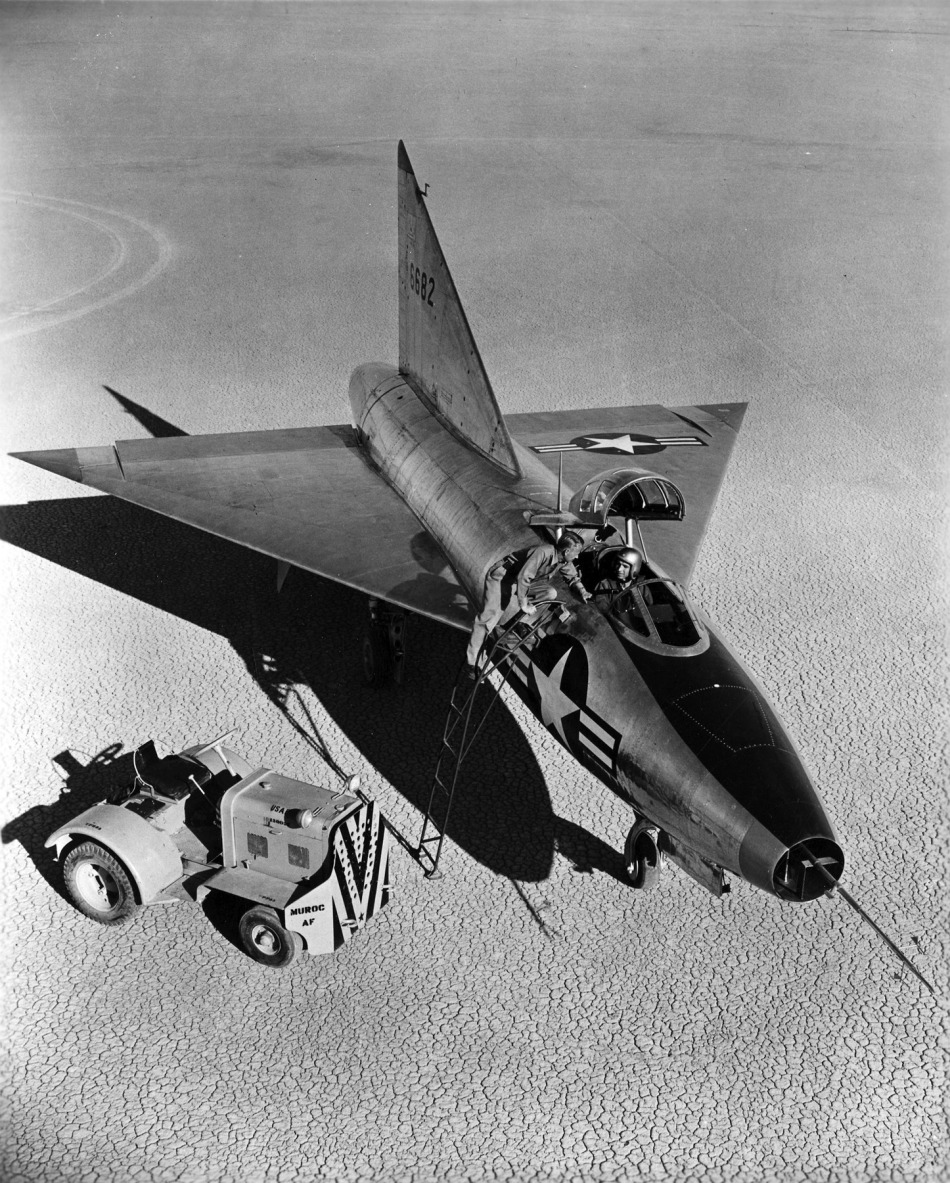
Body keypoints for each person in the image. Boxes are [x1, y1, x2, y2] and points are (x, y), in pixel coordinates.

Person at [465, 531, 589, 671]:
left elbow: (572, 577)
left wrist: (582, 591)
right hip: (504, 577)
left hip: (523, 582)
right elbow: (524, 576)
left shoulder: (563, 559)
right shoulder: (542, 552)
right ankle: (473, 663)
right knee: (488, 618)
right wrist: (523, 604)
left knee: (550, 593)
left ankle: (518, 623)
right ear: (567, 551)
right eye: (577, 552)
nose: (578, 556)